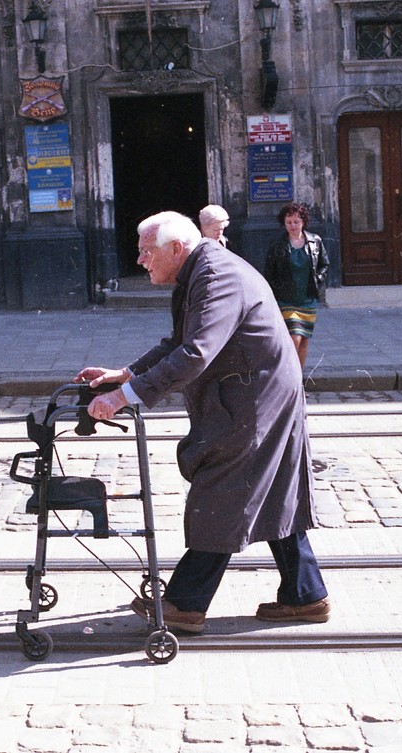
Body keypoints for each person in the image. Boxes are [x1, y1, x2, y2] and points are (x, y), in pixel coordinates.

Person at [78, 211, 329, 635]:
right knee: (268, 488)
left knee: (224, 488)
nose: (140, 261)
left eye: (145, 252)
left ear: (175, 249)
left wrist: (125, 397)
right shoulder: (200, 270)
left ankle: (186, 603)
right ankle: (305, 594)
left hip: (254, 396)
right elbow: (178, 341)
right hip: (255, 388)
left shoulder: (216, 277)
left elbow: (195, 352)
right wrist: (127, 374)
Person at [264, 202, 328, 369]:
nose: (292, 226)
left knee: (304, 341)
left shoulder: (315, 241)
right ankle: (289, 376)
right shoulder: (277, 244)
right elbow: (269, 272)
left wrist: (318, 279)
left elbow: (324, 264)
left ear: (303, 222)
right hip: (286, 299)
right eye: (289, 222)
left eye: (296, 222)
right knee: (295, 338)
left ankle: (298, 379)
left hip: (307, 298)